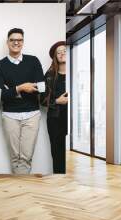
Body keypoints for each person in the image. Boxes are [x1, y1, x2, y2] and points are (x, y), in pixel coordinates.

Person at [0, 28, 44, 174]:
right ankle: (19, 189)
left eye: (19, 40)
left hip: (32, 114)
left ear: (23, 42)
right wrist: (21, 88)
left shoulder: (33, 61)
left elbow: (40, 87)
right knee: (15, 157)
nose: (16, 42)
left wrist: (11, 90)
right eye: (13, 40)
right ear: (7, 42)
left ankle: (22, 188)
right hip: (10, 115)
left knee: (26, 157)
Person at [41, 41, 68, 174]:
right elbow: (41, 99)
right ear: (55, 56)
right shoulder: (49, 75)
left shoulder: (77, 71)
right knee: (57, 154)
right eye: (59, 52)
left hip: (72, 120)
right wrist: (57, 101)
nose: (62, 53)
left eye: (65, 50)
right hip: (55, 120)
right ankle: (60, 183)